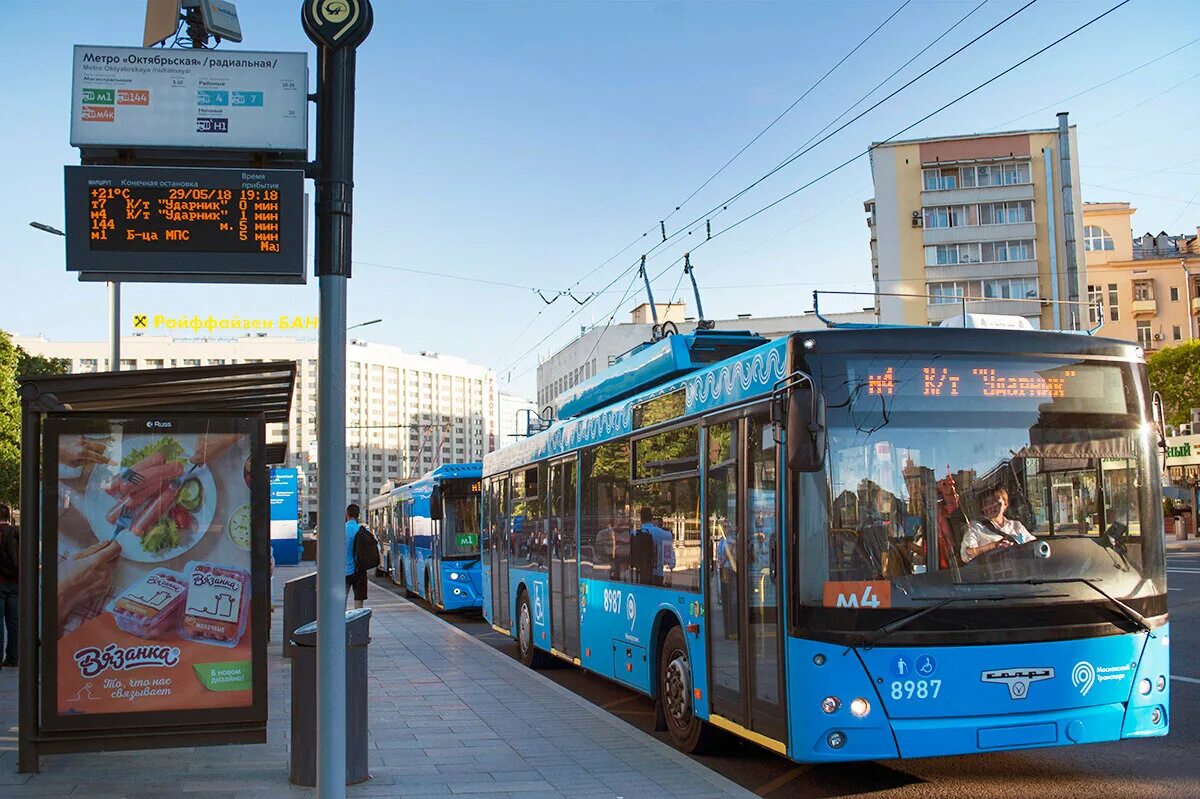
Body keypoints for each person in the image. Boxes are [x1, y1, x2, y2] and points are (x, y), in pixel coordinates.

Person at [960, 486, 1034, 563]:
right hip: (989, 572)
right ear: (983, 508)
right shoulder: (975, 527)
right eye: (987, 503)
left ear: (1005, 504)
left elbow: (1033, 544)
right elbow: (967, 553)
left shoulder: (1016, 525)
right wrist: (994, 546)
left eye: (995, 502)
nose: (991, 506)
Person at [0, 504, 18, 667]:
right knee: (14, 622)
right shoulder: (18, 532)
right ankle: (13, 657)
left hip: (1, 582)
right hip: (17, 583)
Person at [345, 503, 367, 609]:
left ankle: (341, 623)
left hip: (344, 570)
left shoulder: (341, 530)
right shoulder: (362, 530)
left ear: (347, 514)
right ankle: (357, 622)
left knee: (342, 599)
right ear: (358, 515)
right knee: (359, 601)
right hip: (360, 571)